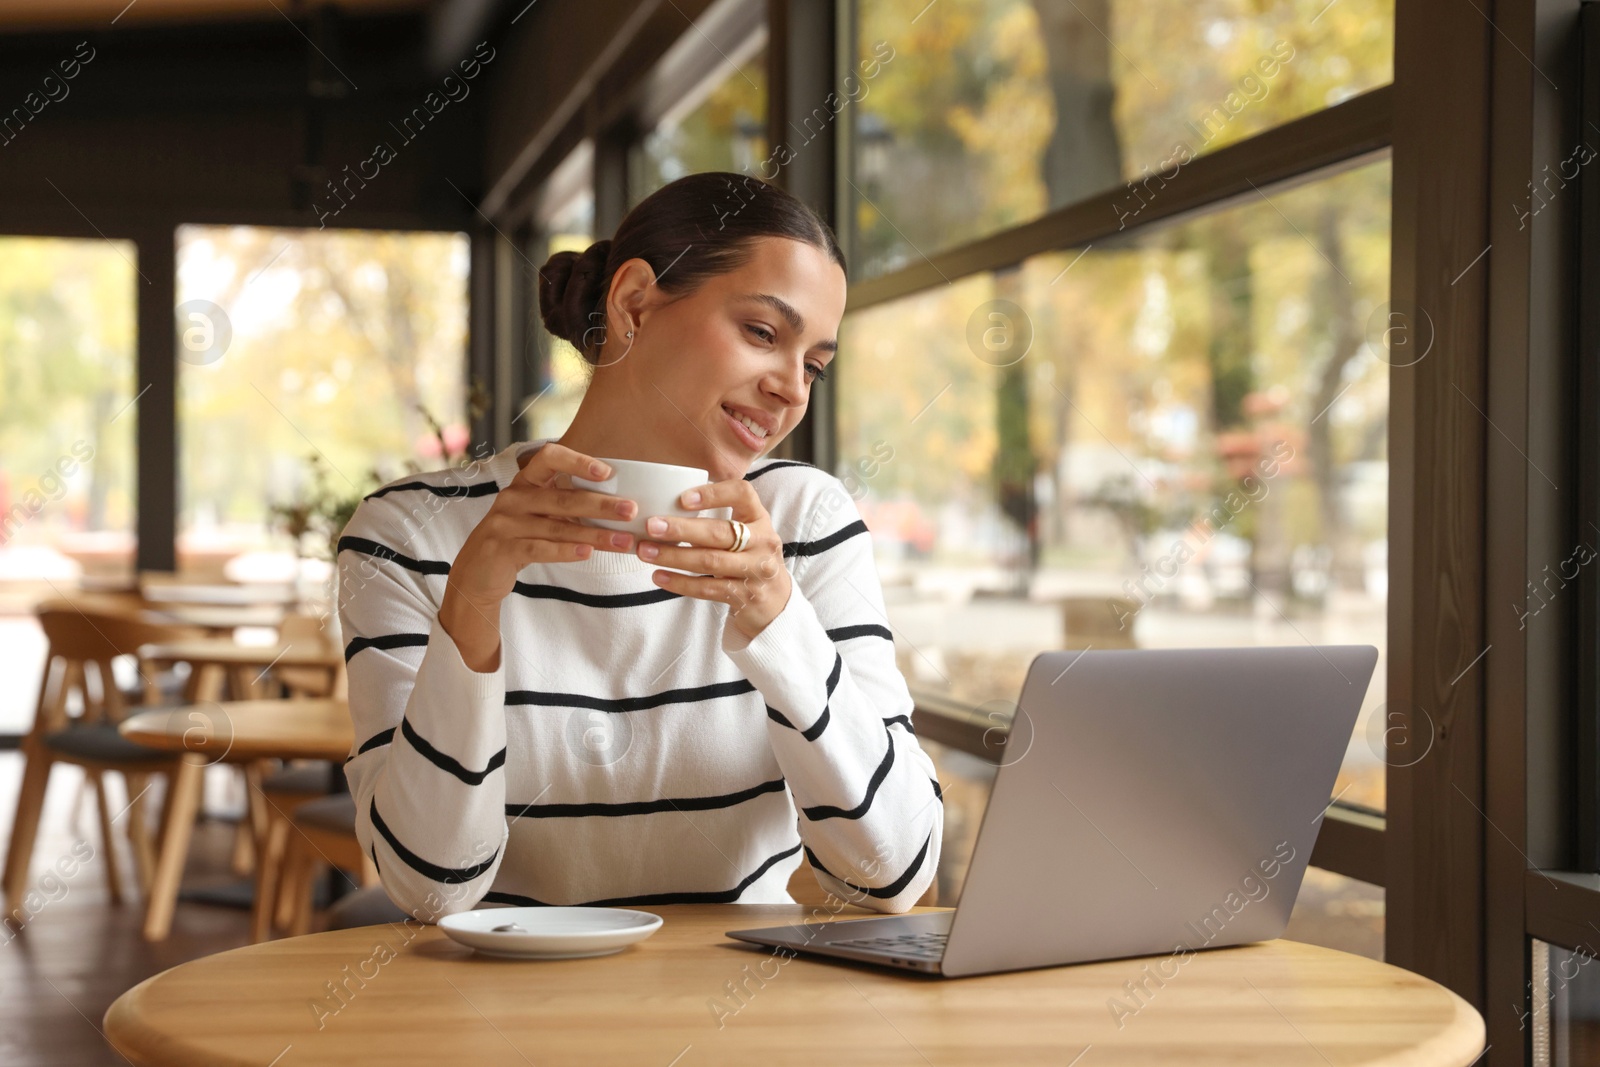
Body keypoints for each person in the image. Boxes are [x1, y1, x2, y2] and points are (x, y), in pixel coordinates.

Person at [337, 171, 943, 921]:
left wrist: (779, 620)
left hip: (741, 1016)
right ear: (632, 305)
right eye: (762, 333)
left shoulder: (804, 522)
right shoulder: (410, 535)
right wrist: (472, 608)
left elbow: (893, 876)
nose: (792, 388)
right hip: (496, 1017)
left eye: (814, 364)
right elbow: (430, 888)